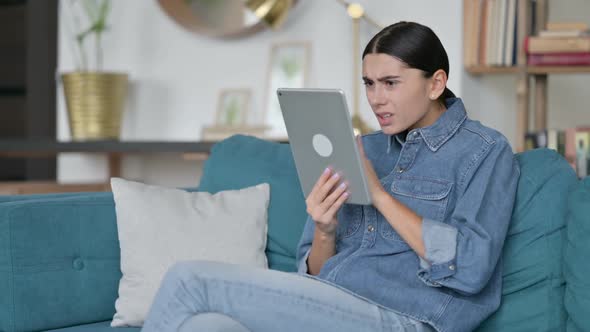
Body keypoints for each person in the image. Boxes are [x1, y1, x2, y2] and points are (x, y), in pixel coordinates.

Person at [141, 21, 520, 332]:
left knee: (189, 280)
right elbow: (315, 276)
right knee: (205, 325)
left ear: (435, 83)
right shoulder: (363, 148)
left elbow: (471, 268)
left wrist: (380, 196)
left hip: (406, 318)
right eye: (369, 84)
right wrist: (324, 229)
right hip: (333, 307)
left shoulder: (484, 150)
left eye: (391, 82)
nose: (376, 99)